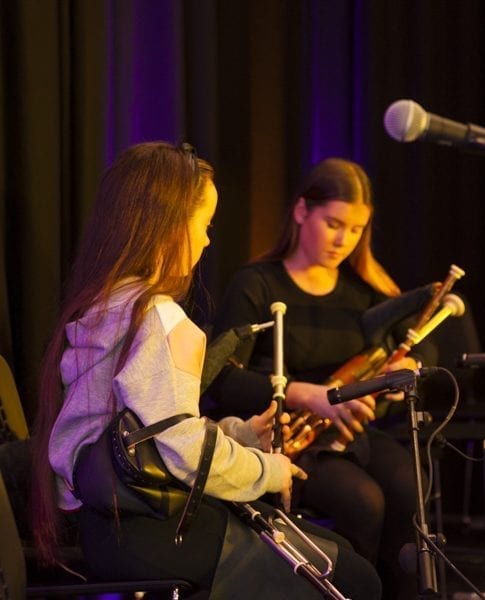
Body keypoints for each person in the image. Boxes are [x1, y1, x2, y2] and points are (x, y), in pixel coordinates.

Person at [30, 142, 382, 599]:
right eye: (205, 224)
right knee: (356, 577)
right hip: (153, 532)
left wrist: (238, 435)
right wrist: (269, 470)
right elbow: (182, 451)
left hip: (106, 533)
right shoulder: (156, 318)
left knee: (334, 555)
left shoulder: (103, 307)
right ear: (171, 225)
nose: (208, 239)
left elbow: (144, 437)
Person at [202, 157, 438, 599]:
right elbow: (221, 382)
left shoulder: (363, 292)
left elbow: (419, 345)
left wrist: (409, 368)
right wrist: (305, 394)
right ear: (300, 211)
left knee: (413, 488)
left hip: (354, 432)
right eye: (334, 224)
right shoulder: (256, 285)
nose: (344, 240)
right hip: (286, 436)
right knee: (363, 502)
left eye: (356, 230)